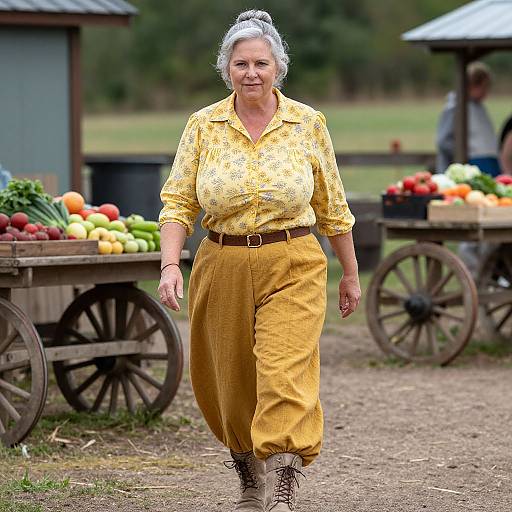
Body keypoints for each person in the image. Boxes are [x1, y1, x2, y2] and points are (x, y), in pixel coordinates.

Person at [158, 9, 360, 512]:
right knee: (230, 382)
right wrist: (168, 265)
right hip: (220, 262)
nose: (252, 73)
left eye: (261, 63)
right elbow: (178, 202)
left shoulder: (307, 124)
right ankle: (250, 477)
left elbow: (332, 206)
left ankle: (284, 487)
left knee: (285, 371)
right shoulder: (203, 126)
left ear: (278, 68)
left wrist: (351, 274)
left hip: (292, 260)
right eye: (241, 63)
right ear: (227, 68)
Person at [436, 61, 500, 176]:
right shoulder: (455, 107)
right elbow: (444, 141)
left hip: (489, 162)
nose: (486, 92)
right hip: (473, 163)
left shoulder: (477, 106)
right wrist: (462, 156)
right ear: (472, 85)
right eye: (484, 87)